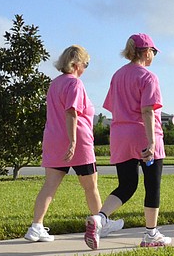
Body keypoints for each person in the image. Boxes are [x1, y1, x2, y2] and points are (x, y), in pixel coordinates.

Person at [24, 45, 124, 244]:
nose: (85, 68)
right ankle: (101, 224)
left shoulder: (55, 84)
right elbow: (71, 112)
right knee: (91, 186)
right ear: (77, 64)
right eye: (86, 64)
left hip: (53, 140)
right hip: (78, 143)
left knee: (49, 186)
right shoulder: (75, 84)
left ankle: (36, 227)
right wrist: (73, 141)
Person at [94, 33, 171, 249]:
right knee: (152, 185)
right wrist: (152, 142)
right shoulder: (148, 77)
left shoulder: (117, 75)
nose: (153, 56)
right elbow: (147, 110)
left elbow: (112, 106)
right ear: (146, 52)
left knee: (127, 185)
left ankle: (99, 218)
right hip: (143, 135)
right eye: (153, 52)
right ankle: (151, 234)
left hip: (120, 136)